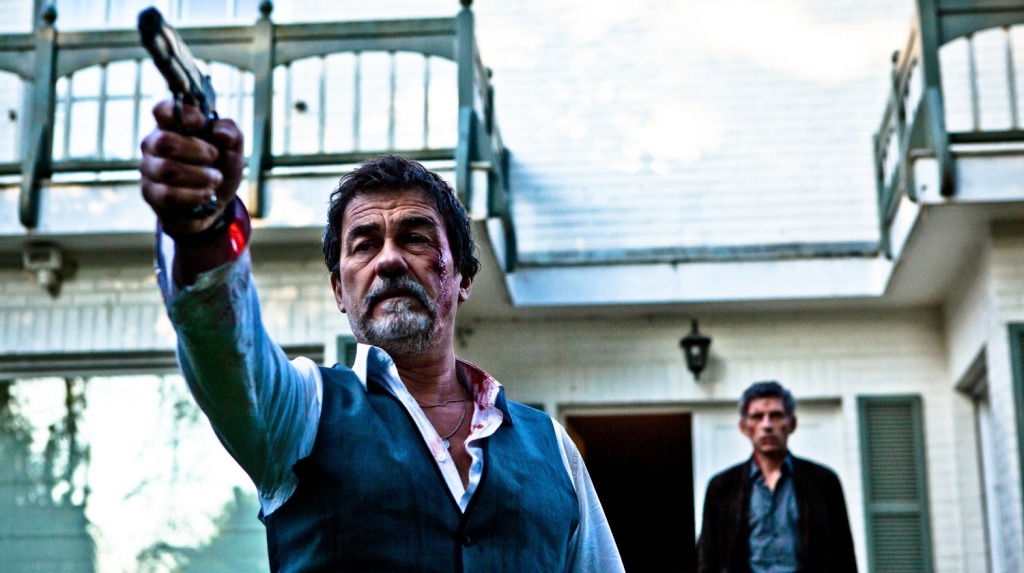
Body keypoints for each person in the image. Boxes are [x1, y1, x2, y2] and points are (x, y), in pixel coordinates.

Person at [138, 100, 625, 572]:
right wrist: (202, 230)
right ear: (339, 290)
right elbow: (225, 350)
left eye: (415, 238)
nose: (389, 260)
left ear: (463, 277)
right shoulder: (304, 411)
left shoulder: (554, 450)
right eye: (365, 245)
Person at [696, 381, 857, 573]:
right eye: (757, 416)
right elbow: (708, 558)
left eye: (776, 415)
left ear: (792, 424)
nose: (767, 425)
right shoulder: (722, 487)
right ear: (744, 427)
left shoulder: (823, 482)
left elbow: (843, 555)